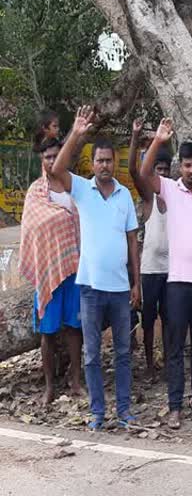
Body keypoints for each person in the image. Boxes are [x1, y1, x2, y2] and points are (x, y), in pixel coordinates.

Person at [49, 106, 140, 431]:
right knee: (91, 354)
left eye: (109, 160)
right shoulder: (81, 190)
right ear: (92, 163)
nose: (104, 165)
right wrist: (76, 132)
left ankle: (125, 412)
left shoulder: (124, 196)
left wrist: (136, 283)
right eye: (99, 160)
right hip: (89, 287)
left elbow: (132, 243)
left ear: (115, 162)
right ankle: (98, 413)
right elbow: (57, 169)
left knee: (123, 354)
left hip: (119, 290)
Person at [140, 118, 192, 430]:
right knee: (175, 347)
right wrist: (159, 140)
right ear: (180, 167)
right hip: (175, 284)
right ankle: (175, 405)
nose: (191, 170)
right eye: (186, 165)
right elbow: (145, 173)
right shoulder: (169, 191)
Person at [19, 138, 83, 405]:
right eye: (47, 157)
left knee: (73, 329)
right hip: (47, 272)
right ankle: (49, 388)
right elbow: (31, 231)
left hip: (74, 270)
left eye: (56, 156)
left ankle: (76, 382)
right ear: (41, 160)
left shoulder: (74, 188)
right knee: (47, 333)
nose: (52, 161)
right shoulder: (35, 193)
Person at [128, 118, 171, 381]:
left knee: (169, 320)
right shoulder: (147, 198)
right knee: (148, 323)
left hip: (171, 271)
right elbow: (134, 171)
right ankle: (149, 365)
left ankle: (167, 362)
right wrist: (136, 137)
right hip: (149, 271)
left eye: (166, 169)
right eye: (159, 170)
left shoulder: (176, 196)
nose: (163, 174)